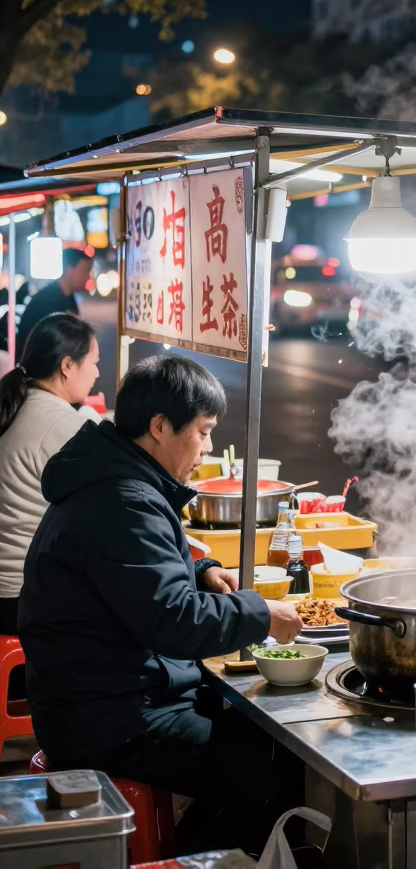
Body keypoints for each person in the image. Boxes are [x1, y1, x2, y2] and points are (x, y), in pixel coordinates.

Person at [19, 353, 304, 855]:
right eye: (203, 431)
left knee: (264, 744)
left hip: (104, 695)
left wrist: (201, 571)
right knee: (272, 775)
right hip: (110, 719)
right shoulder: (123, 499)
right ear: (159, 426)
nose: (207, 446)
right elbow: (172, 620)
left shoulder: (114, 477)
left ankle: (193, 849)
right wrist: (261, 615)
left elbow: (127, 579)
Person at [0, 313, 101, 638]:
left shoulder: (17, 400)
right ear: (67, 365)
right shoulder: (59, 421)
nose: (97, 373)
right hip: (20, 598)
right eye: (94, 362)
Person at [15, 248, 93, 361]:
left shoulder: (67, 297)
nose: (88, 277)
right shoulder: (48, 302)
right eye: (85, 270)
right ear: (70, 270)